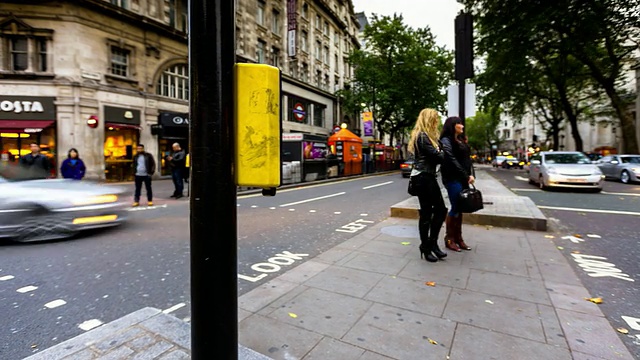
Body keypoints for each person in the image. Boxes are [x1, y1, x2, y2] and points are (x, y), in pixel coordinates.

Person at [408, 108, 448, 263]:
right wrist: (442, 151)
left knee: (434, 211)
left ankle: (430, 244)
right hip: (423, 177)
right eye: (435, 118)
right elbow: (438, 157)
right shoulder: (423, 137)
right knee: (433, 211)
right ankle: (428, 245)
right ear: (429, 119)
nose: (437, 121)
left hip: (427, 177)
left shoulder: (430, 137)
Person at [440, 117, 474, 252]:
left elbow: (467, 160)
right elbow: (451, 160)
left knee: (460, 208)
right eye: (459, 123)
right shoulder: (446, 141)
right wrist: (465, 176)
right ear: (452, 125)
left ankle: (459, 238)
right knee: (455, 207)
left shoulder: (460, 140)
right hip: (453, 178)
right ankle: (449, 239)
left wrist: (470, 175)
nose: (462, 126)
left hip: (463, 179)